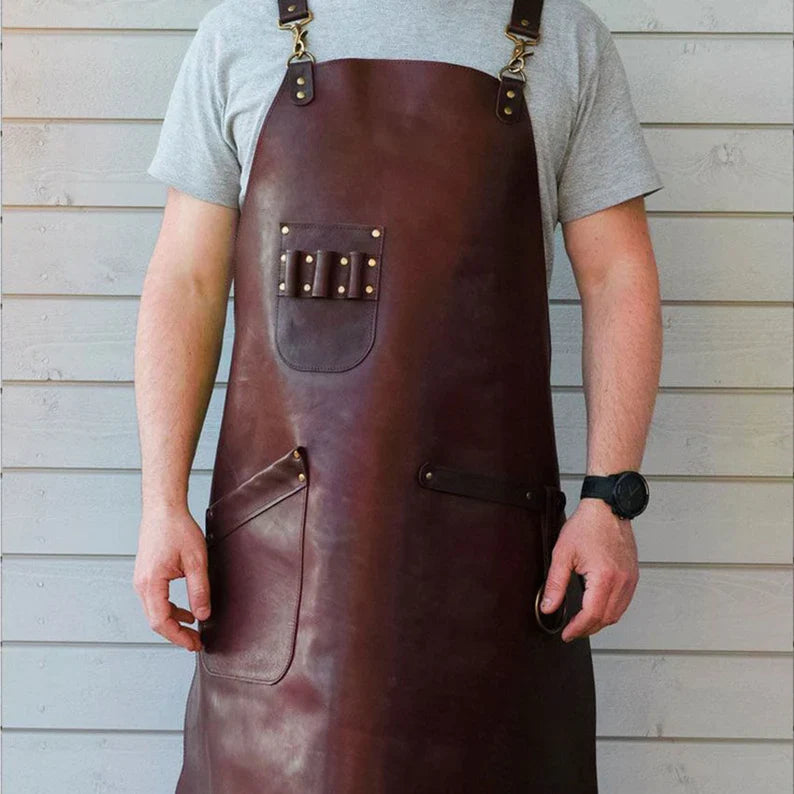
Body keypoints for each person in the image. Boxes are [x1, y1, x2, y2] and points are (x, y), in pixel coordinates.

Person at [133, 0, 663, 791]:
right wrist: (160, 503)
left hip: (486, 565)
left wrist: (609, 501)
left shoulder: (566, 41)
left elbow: (619, 276)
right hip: (282, 560)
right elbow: (186, 280)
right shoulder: (238, 35)